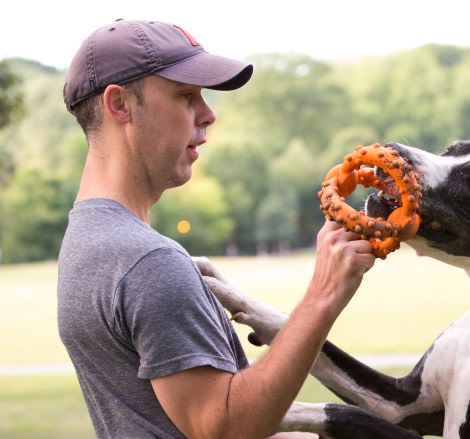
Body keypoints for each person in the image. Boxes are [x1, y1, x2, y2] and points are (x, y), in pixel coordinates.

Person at [57, 19, 376, 439]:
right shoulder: (147, 262)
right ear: (120, 105)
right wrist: (324, 293)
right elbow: (224, 426)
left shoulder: (87, 238)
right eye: (185, 95)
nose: (208, 114)